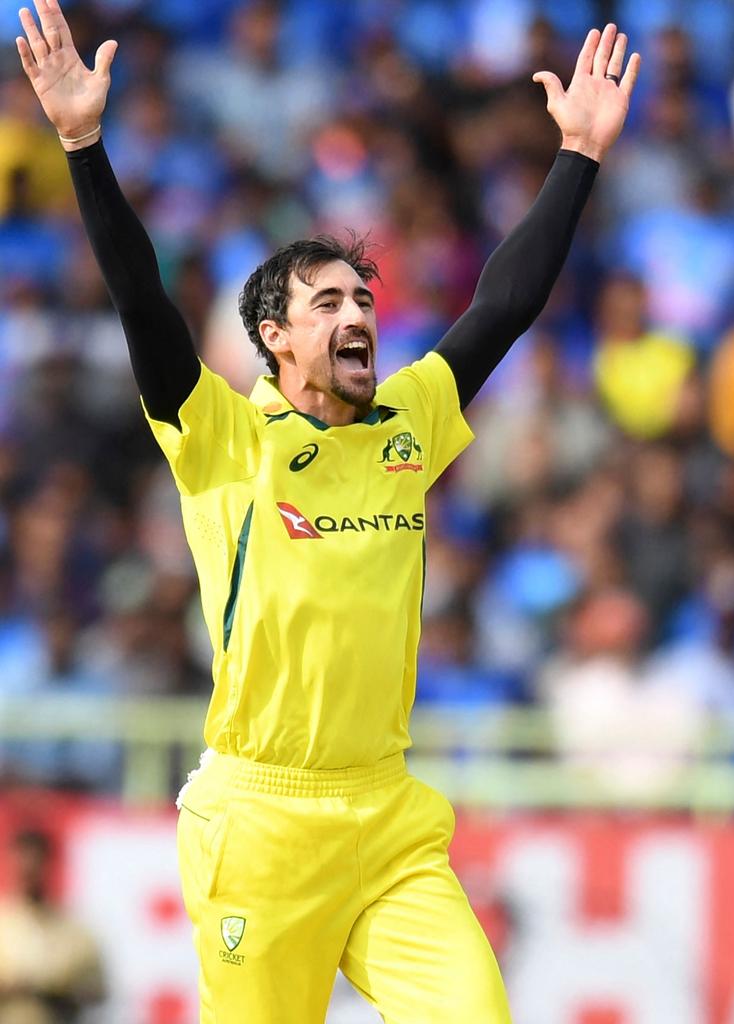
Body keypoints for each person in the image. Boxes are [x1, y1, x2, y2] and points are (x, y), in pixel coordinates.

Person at [16, 2, 639, 1020]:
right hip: (261, 820)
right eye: (328, 304)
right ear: (274, 338)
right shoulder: (226, 439)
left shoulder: (410, 421)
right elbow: (141, 300)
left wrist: (577, 153)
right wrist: (84, 144)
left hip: (388, 813)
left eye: (364, 299)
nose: (358, 316)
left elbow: (503, 307)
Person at [0, 829, 105, 1024]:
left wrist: (57, 989)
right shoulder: (4, 923)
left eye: (34, 867)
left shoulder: (74, 932)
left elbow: (98, 991)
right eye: (23, 867)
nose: (28, 873)